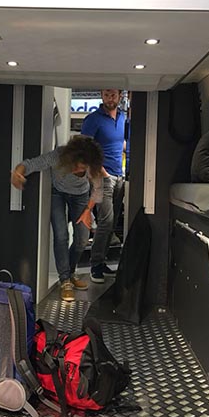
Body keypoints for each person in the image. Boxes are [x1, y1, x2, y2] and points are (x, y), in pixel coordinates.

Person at [11, 135, 104, 302]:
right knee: (61, 235)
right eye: (75, 166)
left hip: (81, 196)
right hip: (58, 193)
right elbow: (32, 164)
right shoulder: (58, 156)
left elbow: (98, 190)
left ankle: (71, 272)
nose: (77, 170)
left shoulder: (92, 166)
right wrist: (18, 172)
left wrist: (87, 210)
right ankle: (65, 280)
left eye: (82, 168)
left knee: (82, 239)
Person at [81, 89, 127, 283]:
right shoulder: (93, 119)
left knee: (113, 222)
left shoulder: (123, 118)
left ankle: (101, 261)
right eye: (107, 95)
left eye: (113, 95)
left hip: (120, 176)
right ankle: (95, 265)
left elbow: (122, 143)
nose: (110, 98)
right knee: (106, 221)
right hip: (102, 177)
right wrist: (102, 172)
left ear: (119, 96)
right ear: (102, 95)